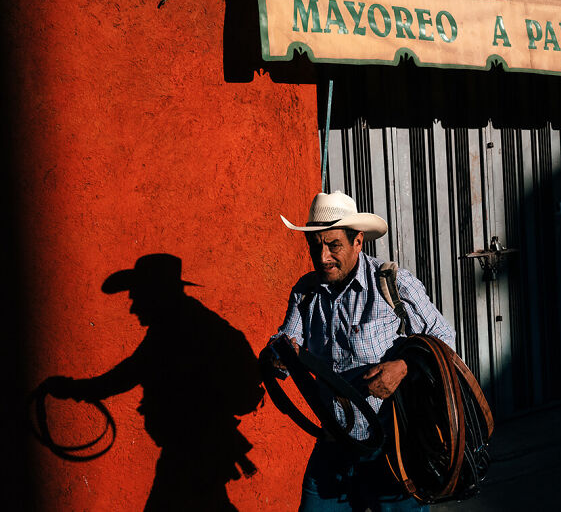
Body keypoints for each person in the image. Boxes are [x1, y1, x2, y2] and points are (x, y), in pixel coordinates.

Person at [271, 191, 455, 511]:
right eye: (315, 246)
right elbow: (287, 341)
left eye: (334, 245)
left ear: (357, 241)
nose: (323, 257)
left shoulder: (392, 284)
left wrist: (403, 367)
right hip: (334, 446)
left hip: (392, 449)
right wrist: (277, 355)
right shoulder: (305, 292)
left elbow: (444, 339)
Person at [40, 254, 264, 511]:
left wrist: (69, 388)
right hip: (201, 446)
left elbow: (124, 376)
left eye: (138, 297)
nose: (133, 308)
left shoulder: (175, 329)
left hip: (191, 450)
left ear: (156, 294)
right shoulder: (189, 320)